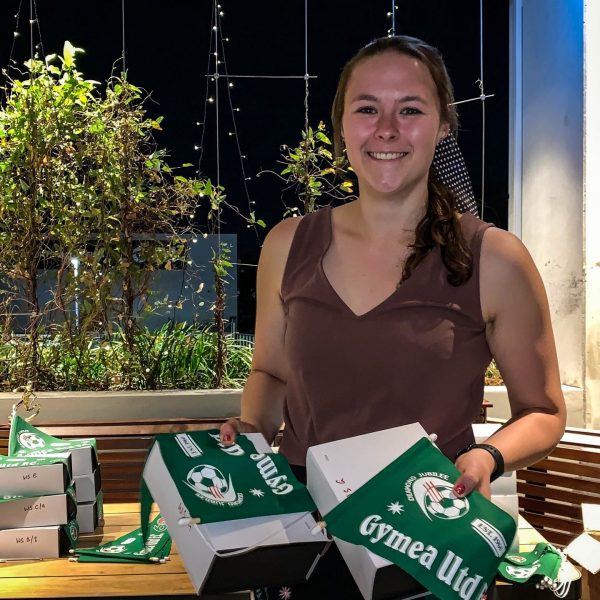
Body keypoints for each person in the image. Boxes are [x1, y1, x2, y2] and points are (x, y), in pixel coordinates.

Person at [220, 35, 566, 599]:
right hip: (305, 532)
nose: (386, 129)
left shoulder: (495, 258)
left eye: (409, 110)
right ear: (341, 128)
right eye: (367, 109)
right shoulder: (288, 244)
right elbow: (271, 373)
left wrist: (486, 457)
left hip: (427, 532)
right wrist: (253, 429)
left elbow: (544, 411)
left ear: (443, 125)